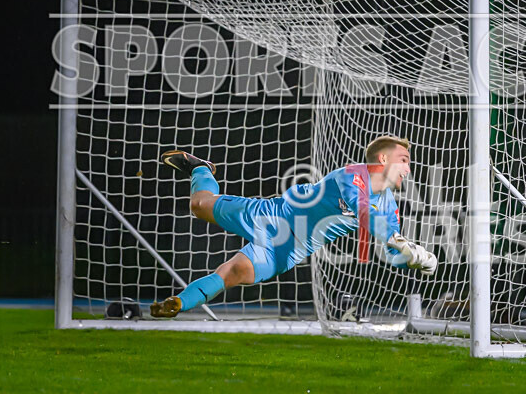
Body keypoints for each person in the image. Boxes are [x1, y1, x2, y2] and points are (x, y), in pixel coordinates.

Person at [150, 135, 437, 317]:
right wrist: (397, 239)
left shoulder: (389, 206)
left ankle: (177, 303)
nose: (408, 169)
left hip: (287, 250)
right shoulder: (353, 175)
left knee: (233, 273)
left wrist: (412, 260)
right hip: (272, 216)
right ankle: (201, 168)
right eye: (404, 160)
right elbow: (363, 211)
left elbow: (391, 249)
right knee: (199, 206)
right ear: (383, 159)